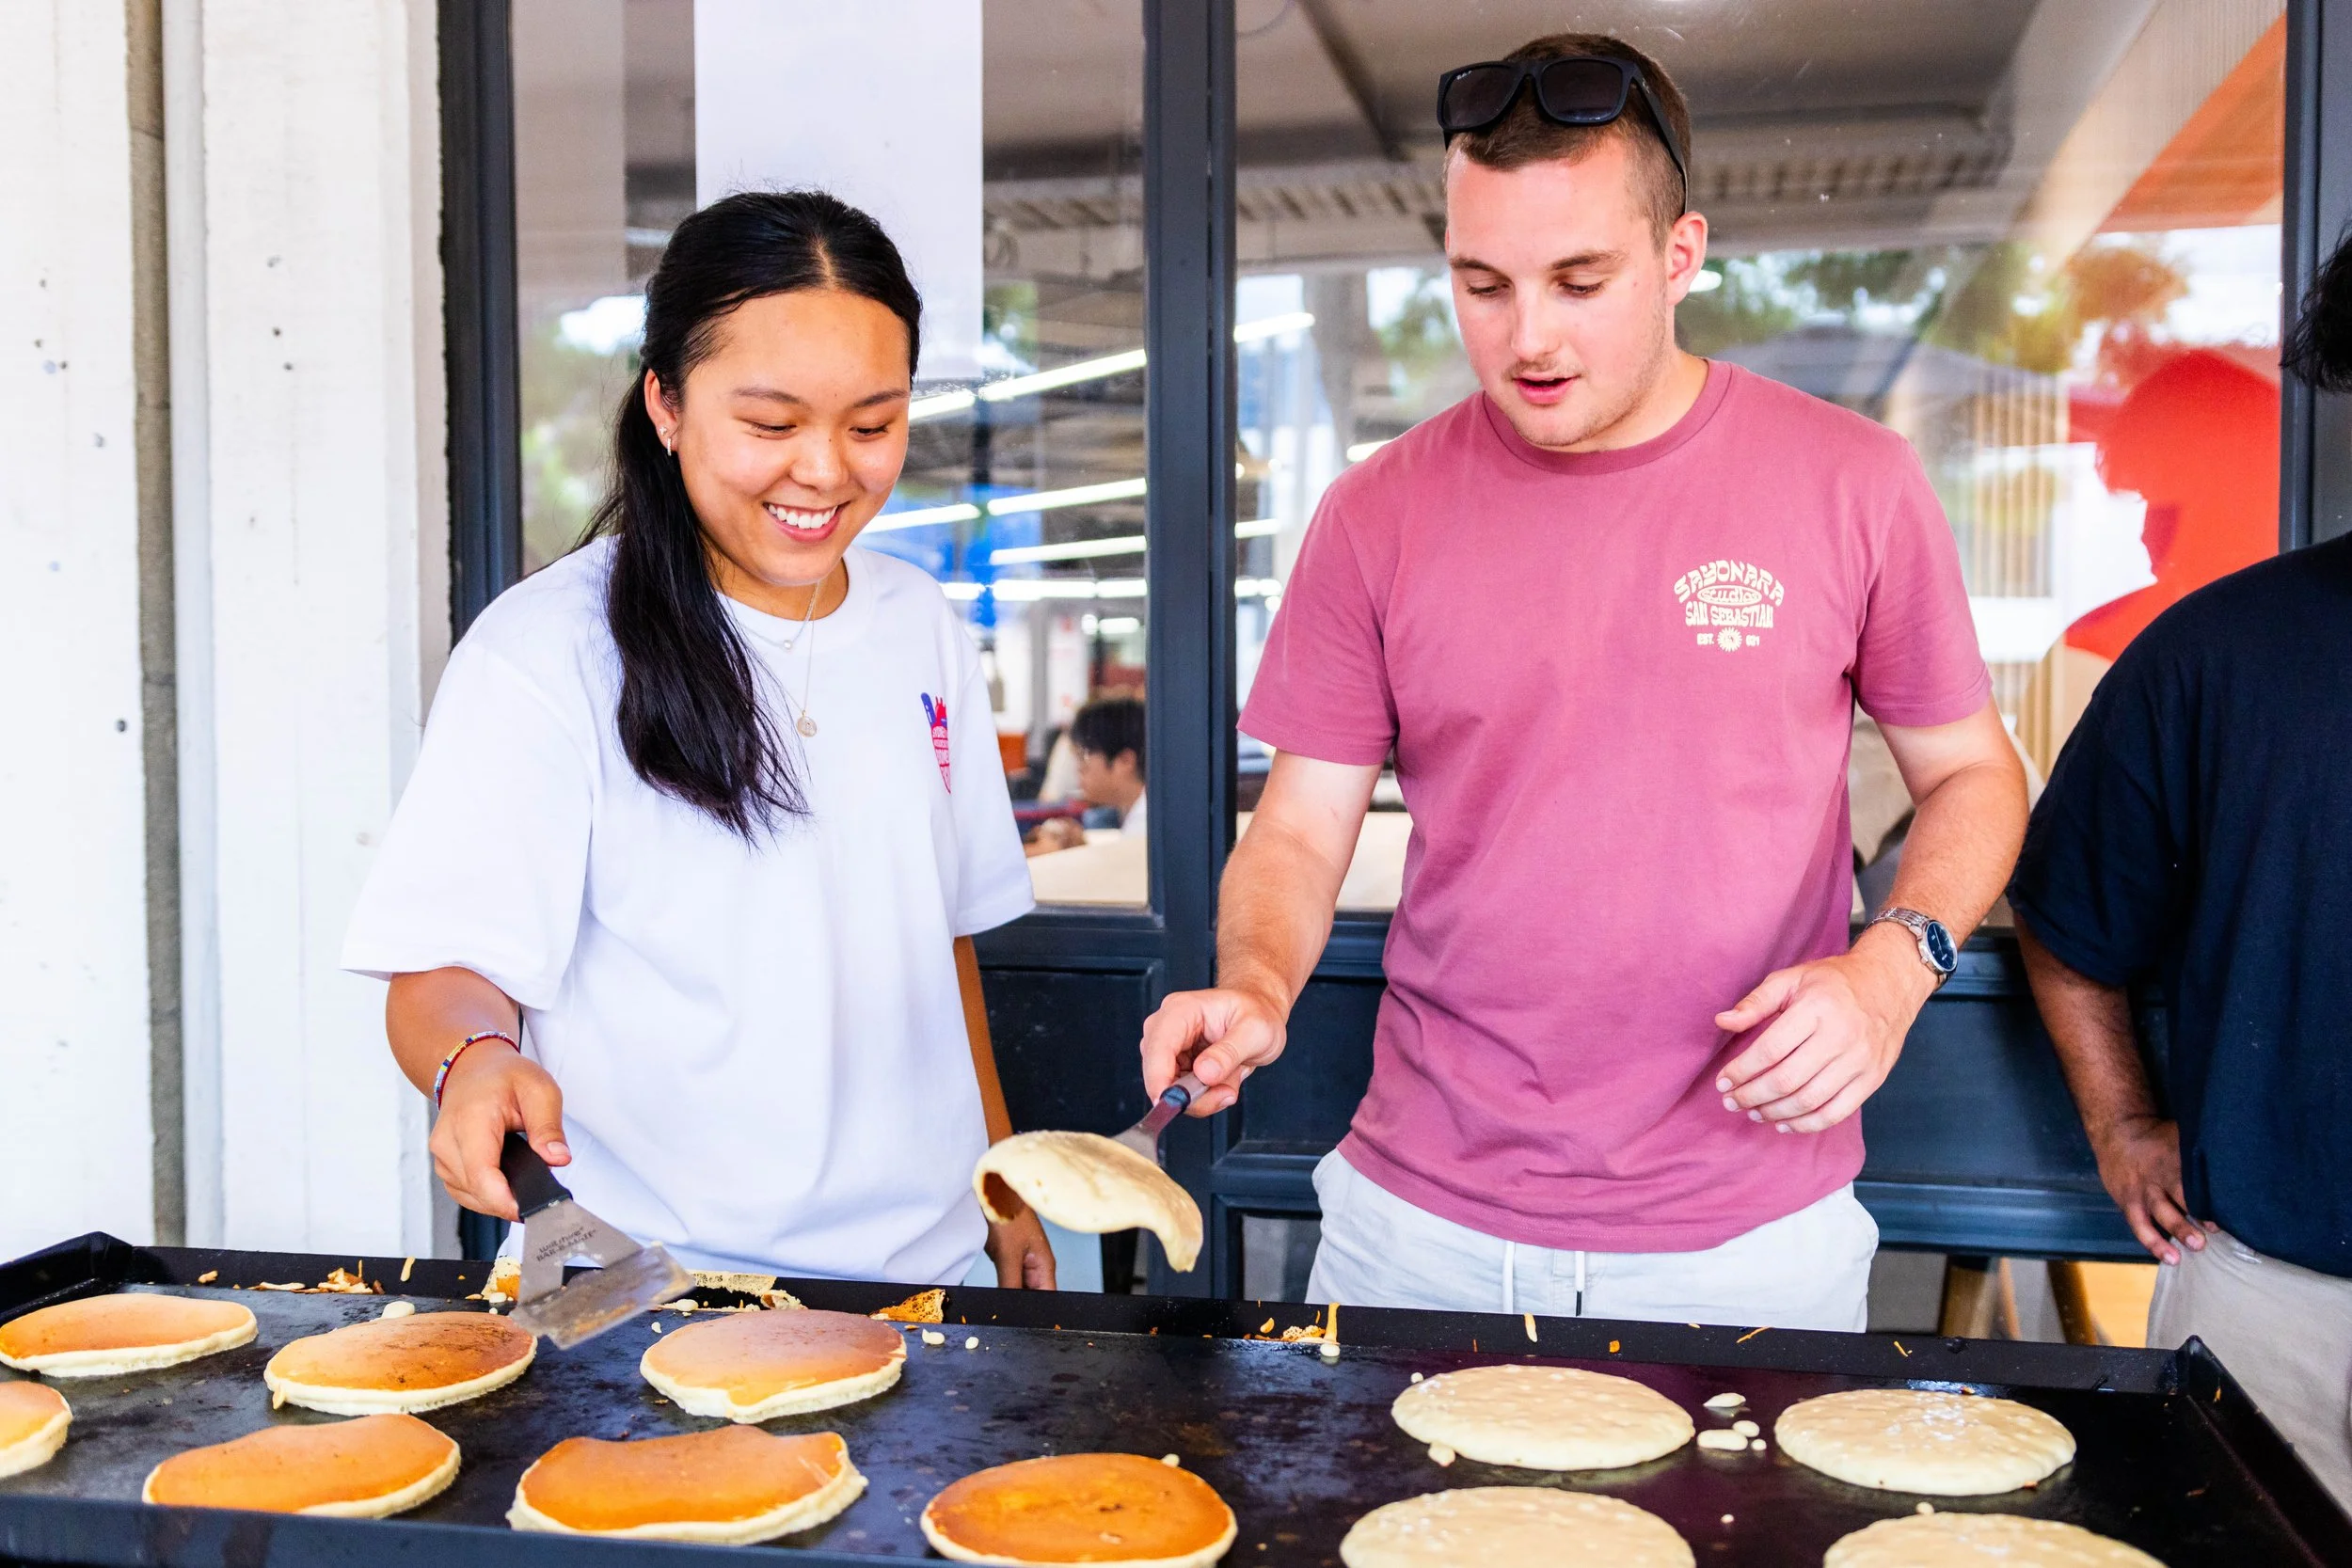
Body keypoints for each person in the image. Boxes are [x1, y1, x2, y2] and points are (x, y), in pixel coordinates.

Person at [1140, 33, 2028, 1329]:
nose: (1527, 337)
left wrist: (1894, 966)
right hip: (1417, 1222)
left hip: (1750, 1228)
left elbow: (1974, 776)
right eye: (1482, 283)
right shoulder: (1374, 512)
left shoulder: (1853, 484)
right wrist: (1259, 981)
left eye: (1579, 279)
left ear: (1681, 256)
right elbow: (1299, 823)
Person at [343, 191, 1053, 1289]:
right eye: (770, 425)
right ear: (665, 404)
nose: (824, 470)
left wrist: (1001, 1188)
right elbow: (443, 969)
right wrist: (474, 1059)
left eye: (874, 423)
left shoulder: (925, 627)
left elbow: (942, 941)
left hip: (926, 1272)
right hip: (646, 1288)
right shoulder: (547, 651)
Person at [2009, 237, 2352, 1509]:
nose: (2143, 511)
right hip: (2271, 1300)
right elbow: (2069, 919)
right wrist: (2118, 1120)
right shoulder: (2215, 654)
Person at [1026, 693, 1146, 853]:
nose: (1079, 769)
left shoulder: (1143, 829)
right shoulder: (1139, 816)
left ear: (1125, 761)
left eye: (1083, 757)